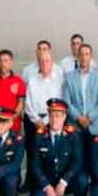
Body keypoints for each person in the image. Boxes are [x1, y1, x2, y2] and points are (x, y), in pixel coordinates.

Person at [27, 98, 88, 196]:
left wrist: (64, 181)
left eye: (58, 115)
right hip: (48, 178)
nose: (54, 119)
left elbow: (78, 161)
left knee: (82, 180)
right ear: (48, 116)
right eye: (52, 115)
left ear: (65, 116)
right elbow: (35, 165)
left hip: (67, 178)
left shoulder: (73, 135)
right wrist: (46, 186)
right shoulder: (39, 135)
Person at [24, 52, 64, 188]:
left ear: (52, 63)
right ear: (38, 63)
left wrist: (46, 121)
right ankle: (31, 183)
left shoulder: (58, 81)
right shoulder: (32, 79)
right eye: (42, 61)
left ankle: (48, 182)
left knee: (48, 153)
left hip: (51, 121)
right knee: (32, 152)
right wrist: (36, 120)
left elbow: (58, 102)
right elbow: (28, 103)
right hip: (33, 121)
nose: (44, 64)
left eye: (47, 61)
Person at [63, 43, 98, 157]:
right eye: (81, 54)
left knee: (94, 160)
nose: (84, 57)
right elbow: (67, 101)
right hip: (75, 125)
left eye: (87, 54)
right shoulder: (69, 76)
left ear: (91, 56)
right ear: (77, 56)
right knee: (76, 159)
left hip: (95, 125)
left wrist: (89, 118)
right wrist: (79, 118)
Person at [0, 50, 26, 134]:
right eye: (0, 61)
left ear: (11, 62)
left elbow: (21, 103)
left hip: (13, 126)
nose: (2, 64)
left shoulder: (19, 81)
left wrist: (10, 119)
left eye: (5, 61)